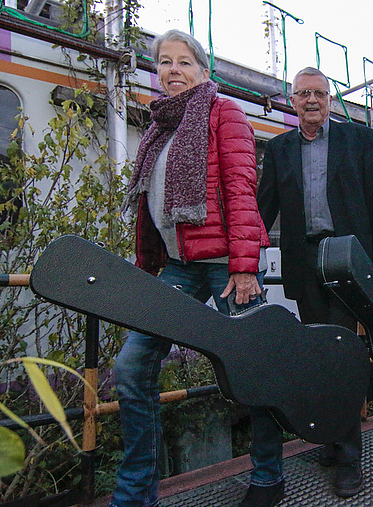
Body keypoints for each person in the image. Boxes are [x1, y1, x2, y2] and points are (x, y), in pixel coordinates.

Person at [111, 30, 270, 507]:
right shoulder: (159, 128)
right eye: (164, 62)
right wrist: (148, 268)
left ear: (203, 70)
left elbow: (241, 191)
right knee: (132, 366)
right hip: (177, 270)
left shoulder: (226, 114)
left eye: (184, 62)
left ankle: (267, 475)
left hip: (226, 269)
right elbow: (151, 209)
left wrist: (245, 267)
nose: (173, 70)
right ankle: (136, 493)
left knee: (253, 369)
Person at [244, 67, 373, 507]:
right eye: (303, 93)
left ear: (330, 100)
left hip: (346, 256)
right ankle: (329, 442)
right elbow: (262, 205)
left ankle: (349, 458)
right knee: (314, 352)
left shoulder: (356, 139)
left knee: (341, 352)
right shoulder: (280, 148)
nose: (312, 100)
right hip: (304, 261)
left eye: (320, 93)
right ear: (293, 101)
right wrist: (243, 255)